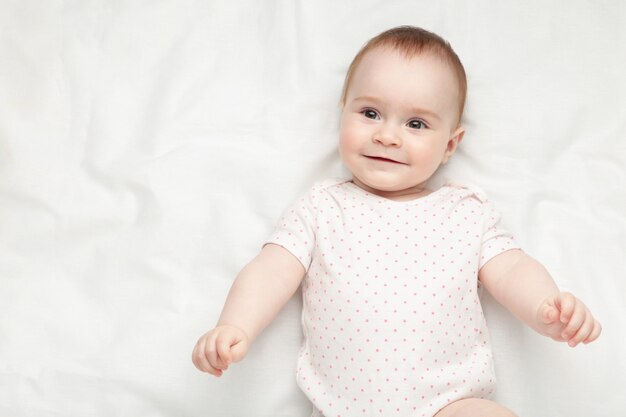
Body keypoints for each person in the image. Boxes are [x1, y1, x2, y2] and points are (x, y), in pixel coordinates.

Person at [192, 26, 602, 417]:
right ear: (343, 114)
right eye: (370, 113)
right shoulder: (321, 207)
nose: (388, 136)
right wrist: (235, 324)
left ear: (450, 145)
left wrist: (546, 307)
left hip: (450, 403)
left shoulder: (467, 211)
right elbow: (271, 270)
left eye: (416, 124)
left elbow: (512, 268)